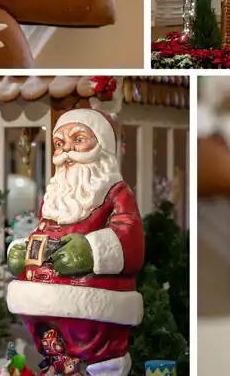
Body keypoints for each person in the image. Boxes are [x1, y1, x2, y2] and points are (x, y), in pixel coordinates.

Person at [7, 109, 144, 376]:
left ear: (101, 145)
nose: (67, 150)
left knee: (98, 353)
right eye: (60, 143)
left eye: (78, 139)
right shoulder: (55, 195)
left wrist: (90, 251)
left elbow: (131, 237)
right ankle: (57, 364)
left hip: (96, 304)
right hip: (44, 301)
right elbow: (43, 231)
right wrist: (23, 250)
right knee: (52, 348)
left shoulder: (116, 193)